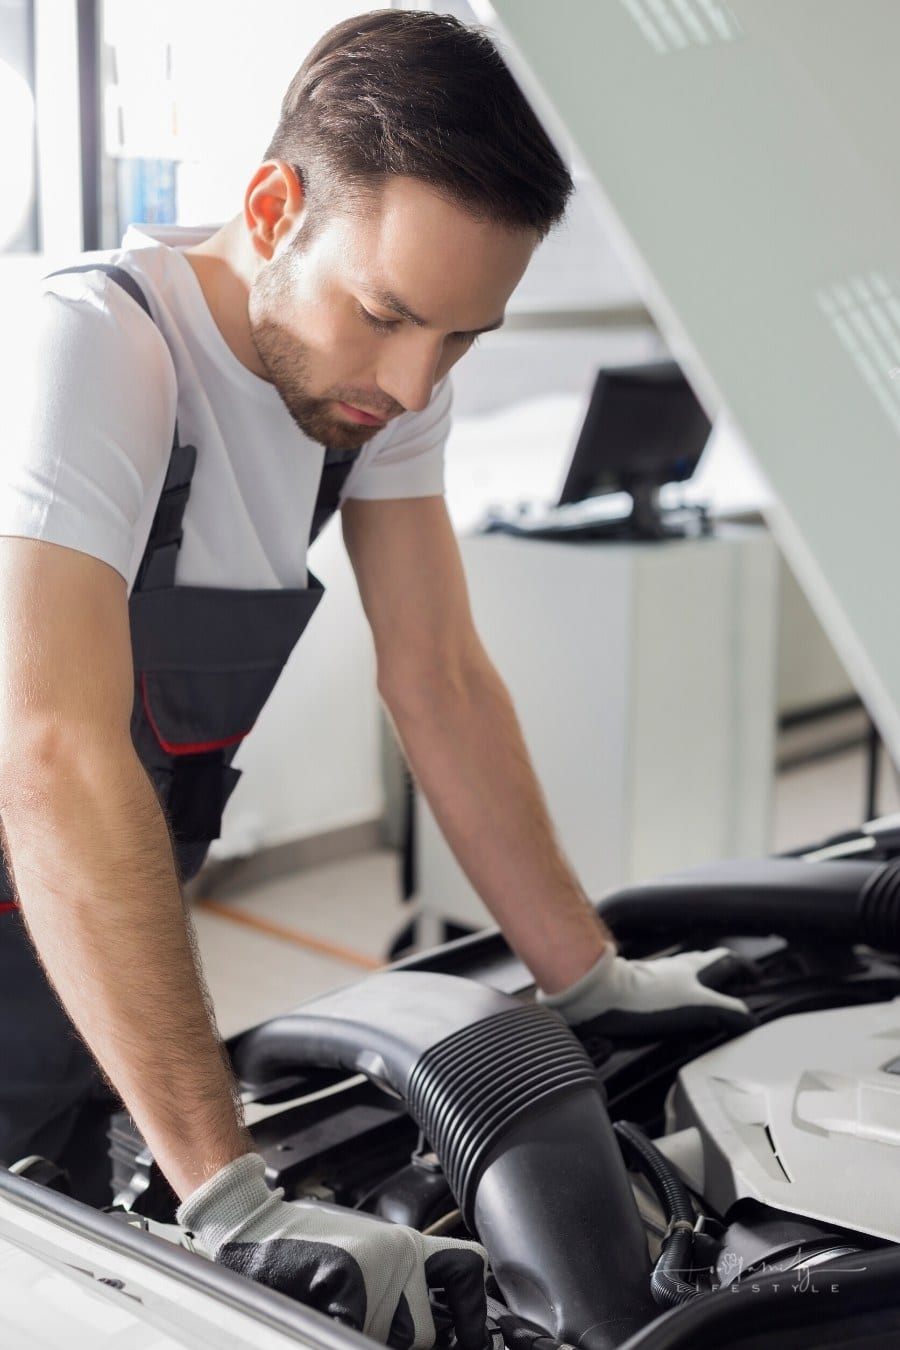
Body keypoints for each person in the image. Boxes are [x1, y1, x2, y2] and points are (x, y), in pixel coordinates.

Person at [0, 10, 750, 1348]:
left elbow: (441, 680)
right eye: (390, 315)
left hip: (85, 942)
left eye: (462, 337)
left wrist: (585, 978)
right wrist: (227, 1188)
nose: (414, 381)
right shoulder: (102, 345)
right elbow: (54, 750)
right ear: (276, 205)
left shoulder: (379, 386)